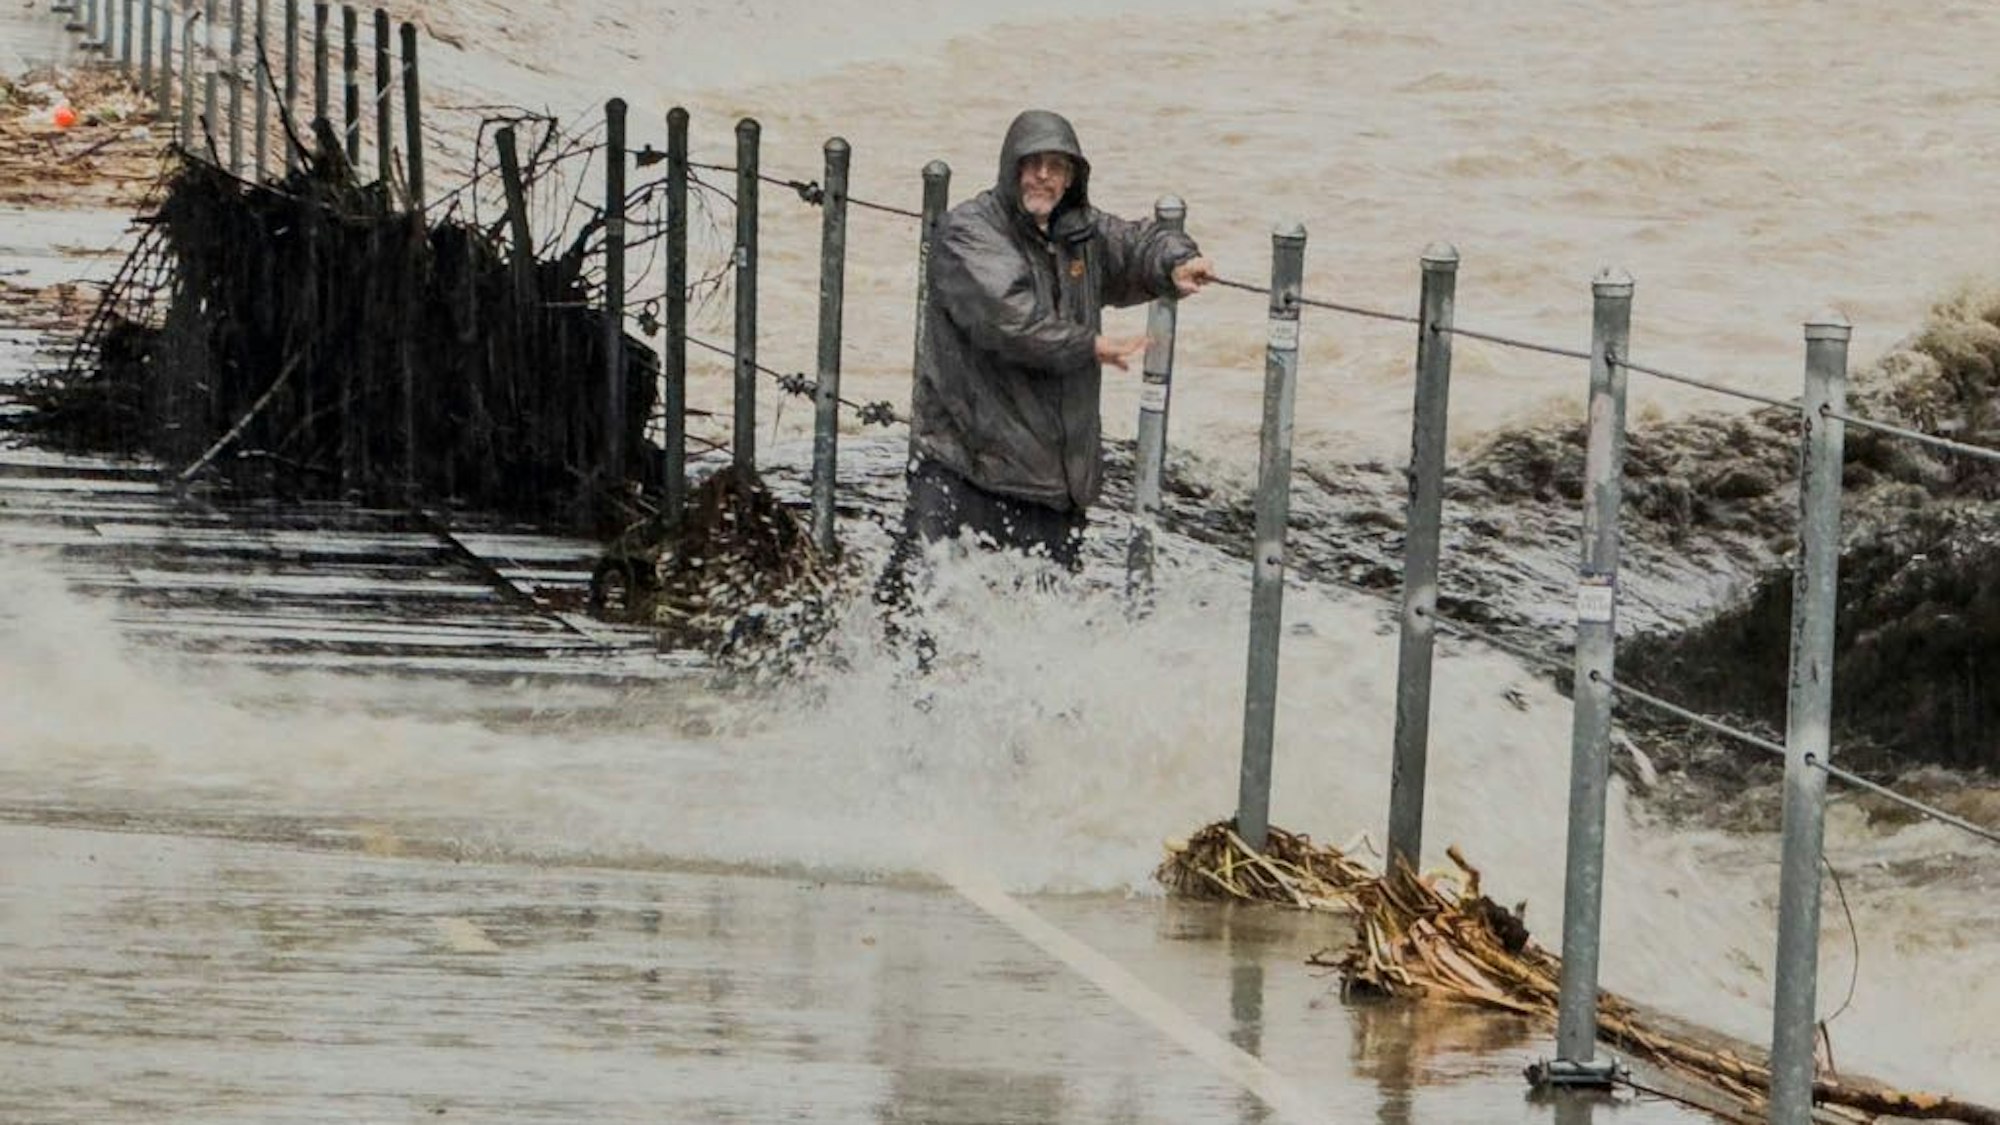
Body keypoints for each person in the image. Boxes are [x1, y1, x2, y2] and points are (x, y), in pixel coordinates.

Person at [900, 109, 1216, 572]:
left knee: (1037, 631)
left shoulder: (1079, 232)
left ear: (1072, 177)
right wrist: (1091, 346)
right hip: (967, 474)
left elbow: (1136, 243)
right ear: (1011, 169)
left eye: (1056, 166)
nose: (1043, 176)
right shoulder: (968, 232)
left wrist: (1177, 262)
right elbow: (1011, 321)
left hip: (1053, 489)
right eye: (1033, 164)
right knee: (912, 621)